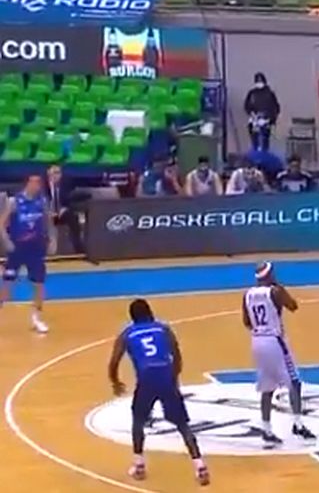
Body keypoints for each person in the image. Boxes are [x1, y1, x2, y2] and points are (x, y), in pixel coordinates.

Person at [107, 299, 210, 485]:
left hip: (146, 379)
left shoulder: (127, 333)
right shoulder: (163, 329)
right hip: (166, 376)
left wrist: (115, 382)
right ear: (150, 313)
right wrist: (174, 377)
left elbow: (114, 361)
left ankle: (139, 464)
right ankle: (199, 465)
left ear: (132, 317)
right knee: (182, 424)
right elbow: (176, 354)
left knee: (138, 420)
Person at [243, 261, 316, 445]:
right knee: (294, 382)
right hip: (274, 341)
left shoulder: (247, 295)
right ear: (269, 275)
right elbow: (293, 306)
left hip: (257, 341)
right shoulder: (275, 291)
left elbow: (247, 322)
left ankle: (266, 429)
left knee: (267, 387)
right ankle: (298, 424)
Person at [0, 175, 54, 333]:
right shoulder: (14, 201)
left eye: (39, 182)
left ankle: (37, 319)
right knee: (7, 284)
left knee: (38, 284)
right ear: (28, 183)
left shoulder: (42, 201)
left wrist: (52, 239)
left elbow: (48, 222)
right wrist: (6, 241)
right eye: (35, 182)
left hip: (36, 248)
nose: (38, 185)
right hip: (18, 248)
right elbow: (1, 224)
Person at [45, 165, 85, 254]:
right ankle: (50, 251)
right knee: (46, 220)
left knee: (72, 216)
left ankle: (79, 249)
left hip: (60, 214)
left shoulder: (65, 184)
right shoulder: (42, 185)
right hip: (46, 214)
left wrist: (65, 208)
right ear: (48, 173)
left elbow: (70, 200)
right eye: (54, 172)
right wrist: (49, 212)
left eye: (59, 173)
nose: (57, 175)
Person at [244, 72, 280, 151]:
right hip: (254, 120)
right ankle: (256, 151)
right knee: (255, 140)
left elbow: (275, 108)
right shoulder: (252, 93)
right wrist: (252, 114)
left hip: (266, 120)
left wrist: (270, 119)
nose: (259, 83)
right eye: (257, 81)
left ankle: (263, 152)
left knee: (264, 141)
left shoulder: (269, 93)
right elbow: (247, 106)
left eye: (260, 81)